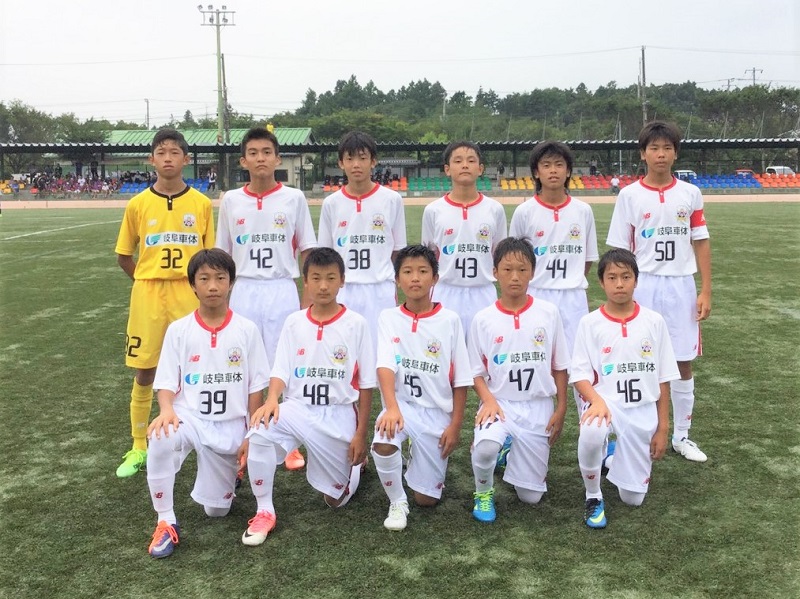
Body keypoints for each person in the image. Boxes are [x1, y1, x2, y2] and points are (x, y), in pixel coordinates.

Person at [241, 248, 376, 545]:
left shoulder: (357, 324)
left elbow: (367, 384)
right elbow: (280, 369)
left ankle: (357, 466)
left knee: (335, 501)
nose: (323, 286)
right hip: (297, 407)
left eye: (331, 278)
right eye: (316, 278)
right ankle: (264, 510)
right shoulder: (294, 321)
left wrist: (361, 434)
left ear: (342, 280)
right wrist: (272, 399)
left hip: (337, 414)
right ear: (305, 281)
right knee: (260, 430)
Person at [145, 249, 270, 558]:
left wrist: (250, 433)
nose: (213, 286)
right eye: (204, 279)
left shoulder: (247, 329)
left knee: (216, 511)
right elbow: (165, 383)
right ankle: (165, 521)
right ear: (193, 285)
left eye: (220, 278)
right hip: (189, 419)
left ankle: (230, 476)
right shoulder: (179, 330)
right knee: (160, 434)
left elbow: (256, 388)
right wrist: (166, 410)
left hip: (230, 426)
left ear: (231, 283)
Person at [606, 120, 711, 463]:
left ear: (675, 153)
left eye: (667, 148)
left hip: (681, 285)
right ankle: (631, 432)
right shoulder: (629, 195)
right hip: (644, 284)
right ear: (643, 153)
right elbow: (619, 250)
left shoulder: (690, 193)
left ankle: (682, 435)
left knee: (682, 360)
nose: (661, 154)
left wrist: (706, 290)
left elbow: (700, 241)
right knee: (634, 358)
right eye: (654, 148)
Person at [114, 128, 216, 478]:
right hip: (148, 294)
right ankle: (138, 445)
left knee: (198, 366)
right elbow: (124, 255)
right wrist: (145, 280)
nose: (168, 158)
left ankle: (201, 438)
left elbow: (209, 257)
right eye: (161, 152)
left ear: (186, 159)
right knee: (146, 368)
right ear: (151, 159)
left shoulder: (201, 204)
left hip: (188, 293)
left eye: (174, 152)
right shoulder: (138, 204)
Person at [215, 126, 318, 471]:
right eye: (253, 153)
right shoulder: (231, 200)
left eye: (267, 152)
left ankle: (288, 441)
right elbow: (222, 255)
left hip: (281, 287)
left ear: (277, 158)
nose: (260, 158)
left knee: (285, 362)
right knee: (242, 363)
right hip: (244, 289)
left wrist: (306, 301)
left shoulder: (294, 198)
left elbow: (307, 251)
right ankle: (245, 436)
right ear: (243, 161)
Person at [571, 248, 680, 528]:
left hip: (642, 410)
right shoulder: (589, 323)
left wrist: (663, 428)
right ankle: (593, 495)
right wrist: (596, 401)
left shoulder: (654, 322)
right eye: (612, 277)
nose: (619, 284)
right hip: (605, 403)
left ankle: (612, 454)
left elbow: (664, 378)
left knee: (633, 499)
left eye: (626, 276)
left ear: (636, 280)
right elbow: (579, 376)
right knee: (593, 430)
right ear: (601, 282)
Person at [371, 245, 472, 531]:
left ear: (435, 278)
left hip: (436, 414)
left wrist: (455, 426)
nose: (415, 278)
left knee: (426, 500)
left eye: (423, 271)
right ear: (397, 279)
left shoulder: (450, 320)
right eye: (407, 271)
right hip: (402, 407)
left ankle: (417, 458)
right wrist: (391, 408)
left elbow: (461, 379)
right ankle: (397, 501)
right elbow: (385, 366)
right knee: (383, 439)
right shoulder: (388, 318)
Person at [468, 237, 569, 522]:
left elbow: (560, 366)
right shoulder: (483, 319)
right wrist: (488, 401)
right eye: (507, 269)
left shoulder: (548, 313)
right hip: (500, 404)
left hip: (538, 406)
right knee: (485, 448)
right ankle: (483, 493)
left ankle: (508, 453)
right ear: (495, 272)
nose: (515, 277)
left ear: (533, 272)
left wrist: (561, 407)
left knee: (530, 497)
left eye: (522, 270)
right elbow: (475, 372)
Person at [317, 131, 407, 352]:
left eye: (362, 158)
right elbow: (325, 255)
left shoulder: (392, 200)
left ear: (373, 161)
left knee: (382, 353)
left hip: (380, 289)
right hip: (344, 289)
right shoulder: (331, 203)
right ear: (341, 163)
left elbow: (398, 251)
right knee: (342, 353)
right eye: (350, 158)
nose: (356, 164)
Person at [421, 141, 507, 336]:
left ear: (480, 169)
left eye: (471, 160)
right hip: (446, 291)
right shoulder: (433, 210)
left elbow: (500, 254)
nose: (465, 165)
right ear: (447, 169)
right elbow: (428, 257)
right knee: (444, 348)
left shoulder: (495, 209)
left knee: (484, 348)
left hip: (483, 291)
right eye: (458, 161)